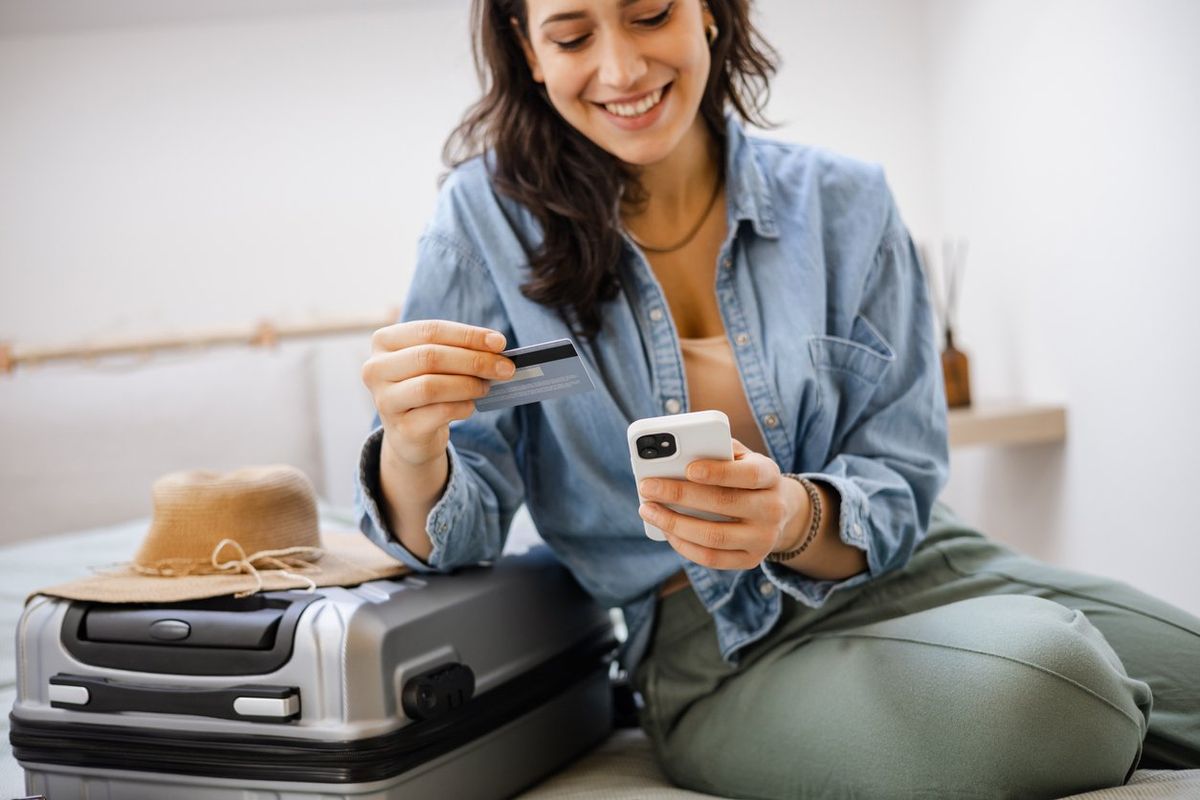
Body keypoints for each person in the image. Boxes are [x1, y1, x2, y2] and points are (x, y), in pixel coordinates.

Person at [356, 1, 1200, 797]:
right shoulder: (483, 221)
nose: (619, 67)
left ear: (712, 12)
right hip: (715, 650)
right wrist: (413, 445)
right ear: (529, 49)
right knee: (1054, 694)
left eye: (651, 14)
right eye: (573, 36)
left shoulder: (846, 202)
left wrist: (792, 518)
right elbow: (458, 539)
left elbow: (903, 472)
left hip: (921, 568)